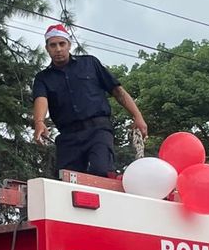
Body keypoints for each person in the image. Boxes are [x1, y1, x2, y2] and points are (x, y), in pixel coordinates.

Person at [31, 23, 148, 177]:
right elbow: (41, 99)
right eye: (53, 45)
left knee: (100, 171)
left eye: (62, 44)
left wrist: (138, 116)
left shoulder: (90, 63)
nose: (58, 49)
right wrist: (39, 122)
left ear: (69, 45)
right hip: (68, 137)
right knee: (66, 180)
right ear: (47, 48)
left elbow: (118, 91)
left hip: (98, 130)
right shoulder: (43, 78)